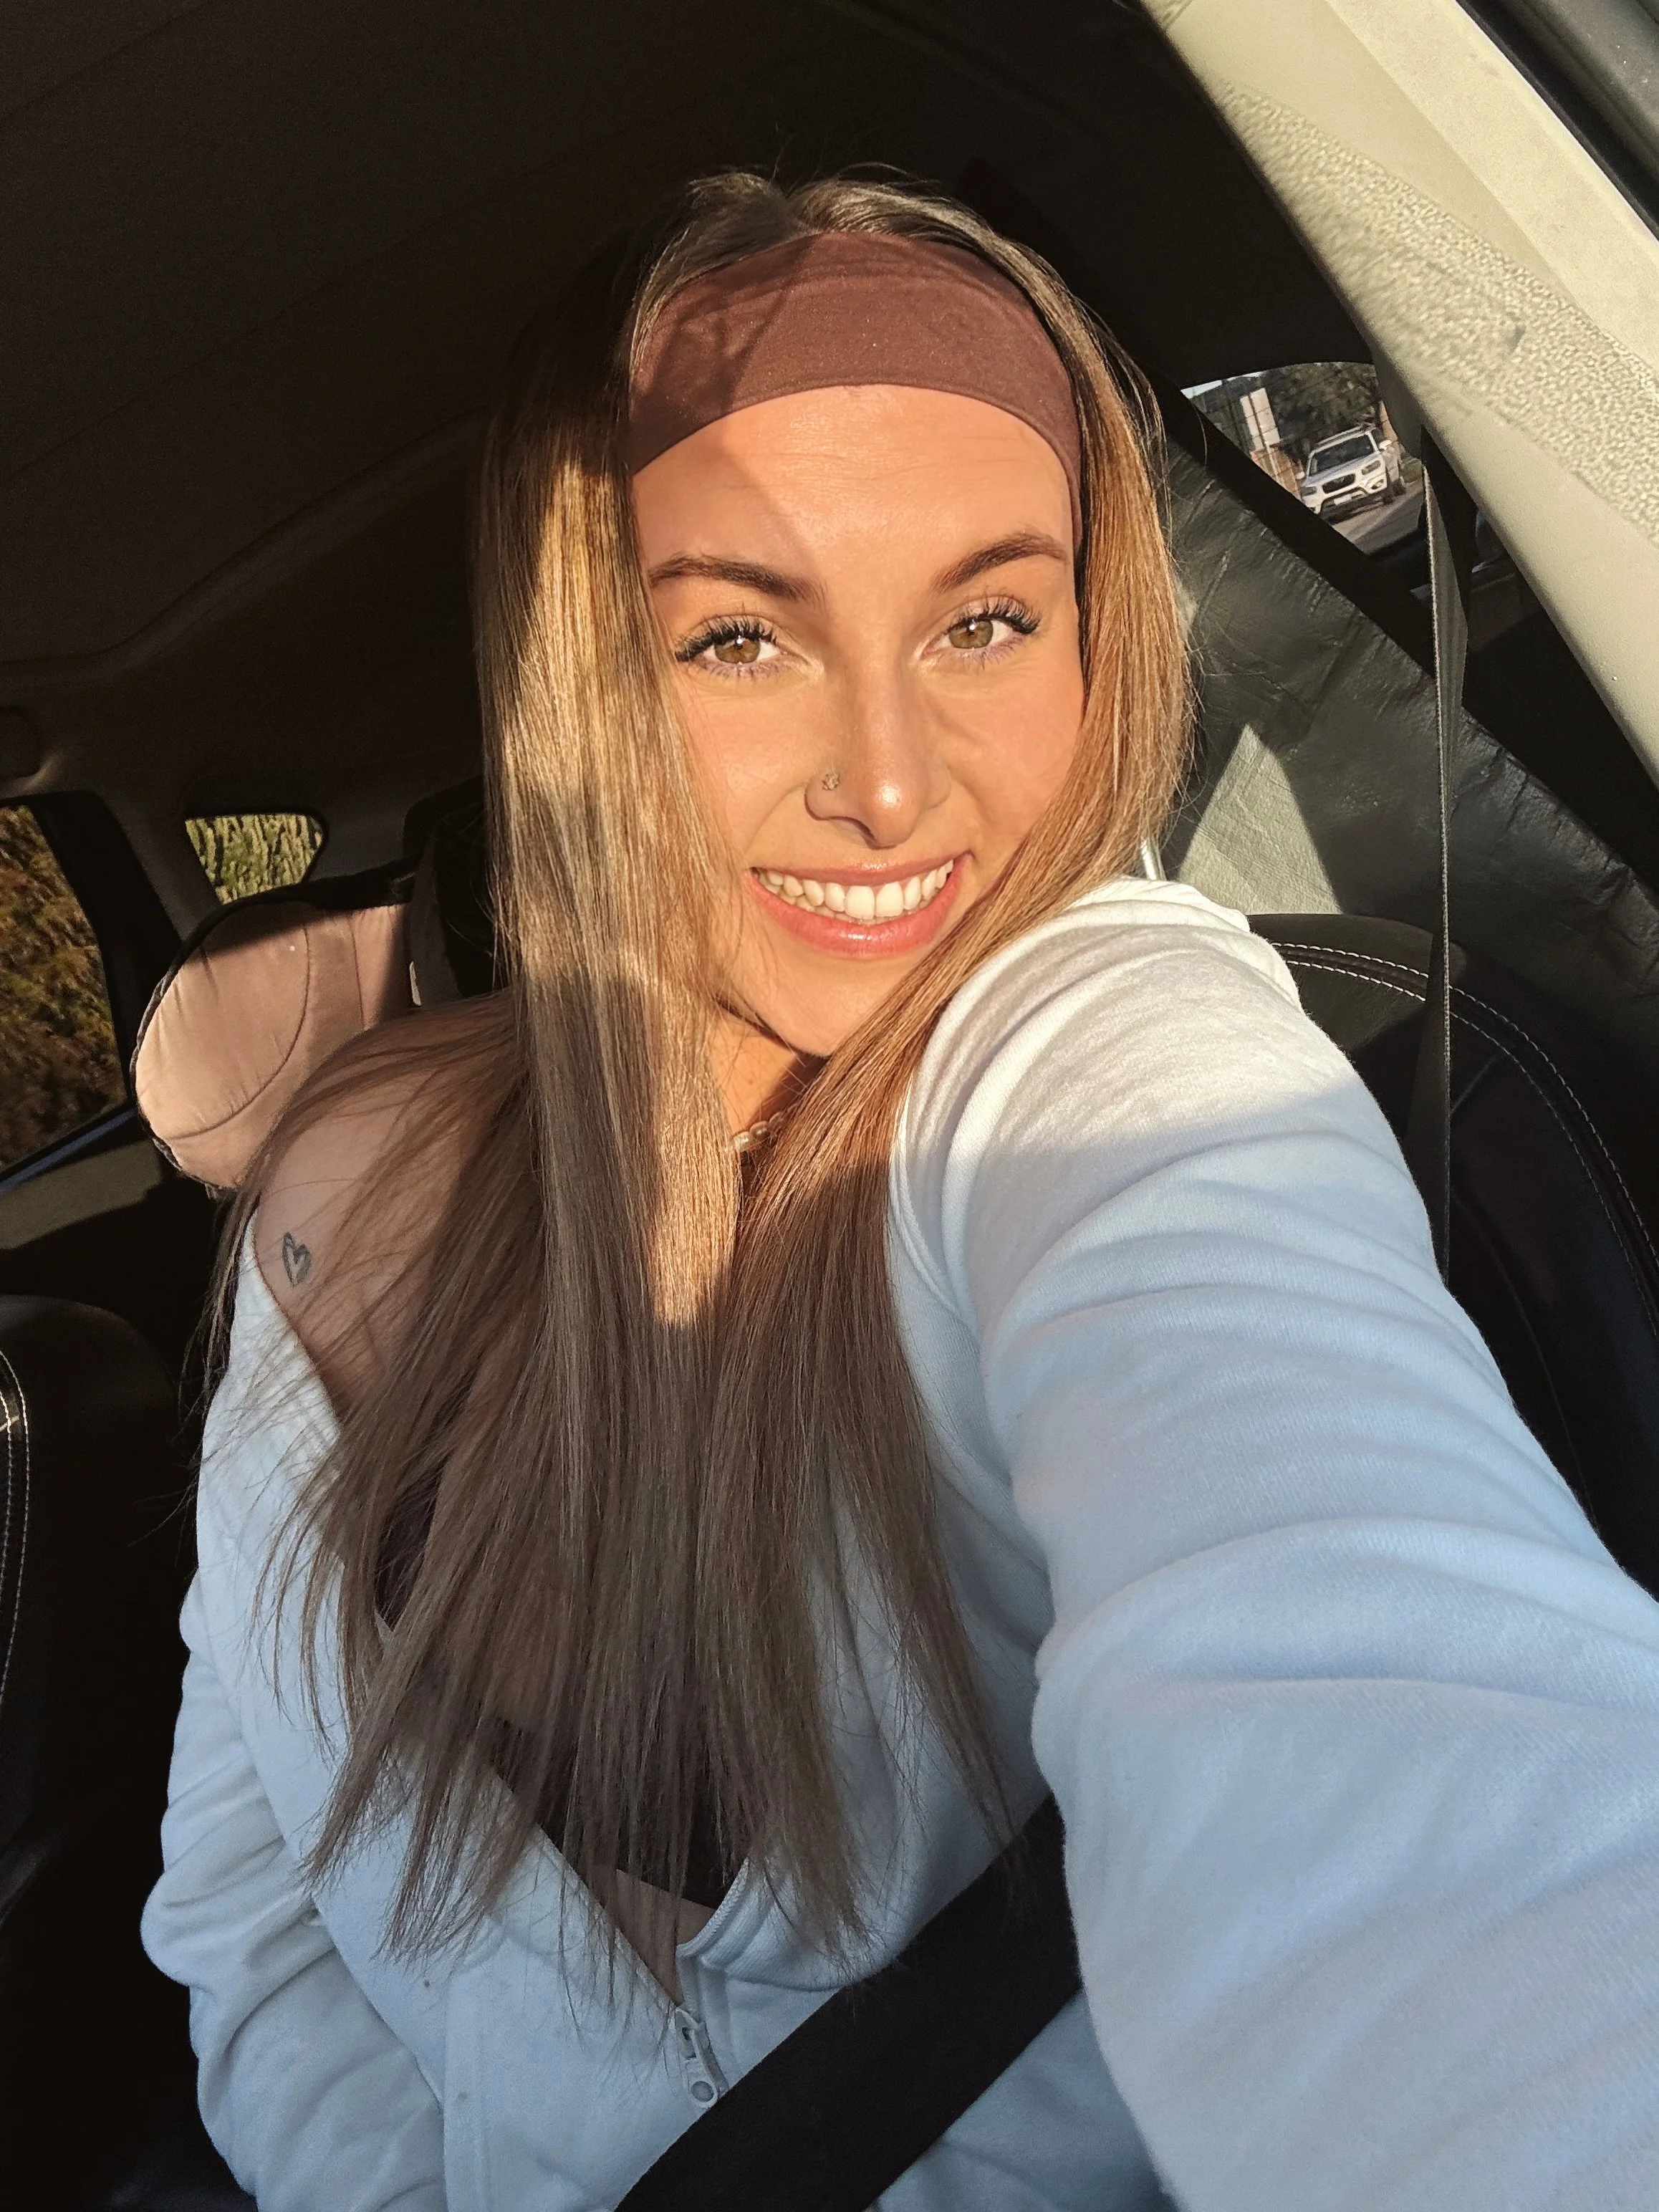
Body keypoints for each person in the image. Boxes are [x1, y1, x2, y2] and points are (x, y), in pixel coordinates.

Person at [142, 173, 1659, 2211]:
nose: (885, 778)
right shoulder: (349, 1177)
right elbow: (245, 1923)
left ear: (1094, 636)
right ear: (577, 679)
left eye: (982, 619)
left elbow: (1407, 1754)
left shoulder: (1100, 1061)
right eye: (740, 636)